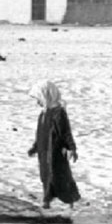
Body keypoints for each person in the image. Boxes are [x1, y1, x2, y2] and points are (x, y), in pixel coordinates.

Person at [27, 80, 80, 209]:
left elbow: (66, 132)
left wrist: (72, 148)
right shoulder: (43, 113)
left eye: (39, 99)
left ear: (47, 96)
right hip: (44, 151)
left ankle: (69, 200)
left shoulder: (58, 113)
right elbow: (40, 133)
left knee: (60, 175)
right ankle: (47, 199)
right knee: (45, 176)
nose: (37, 102)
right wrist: (35, 147)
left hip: (56, 151)